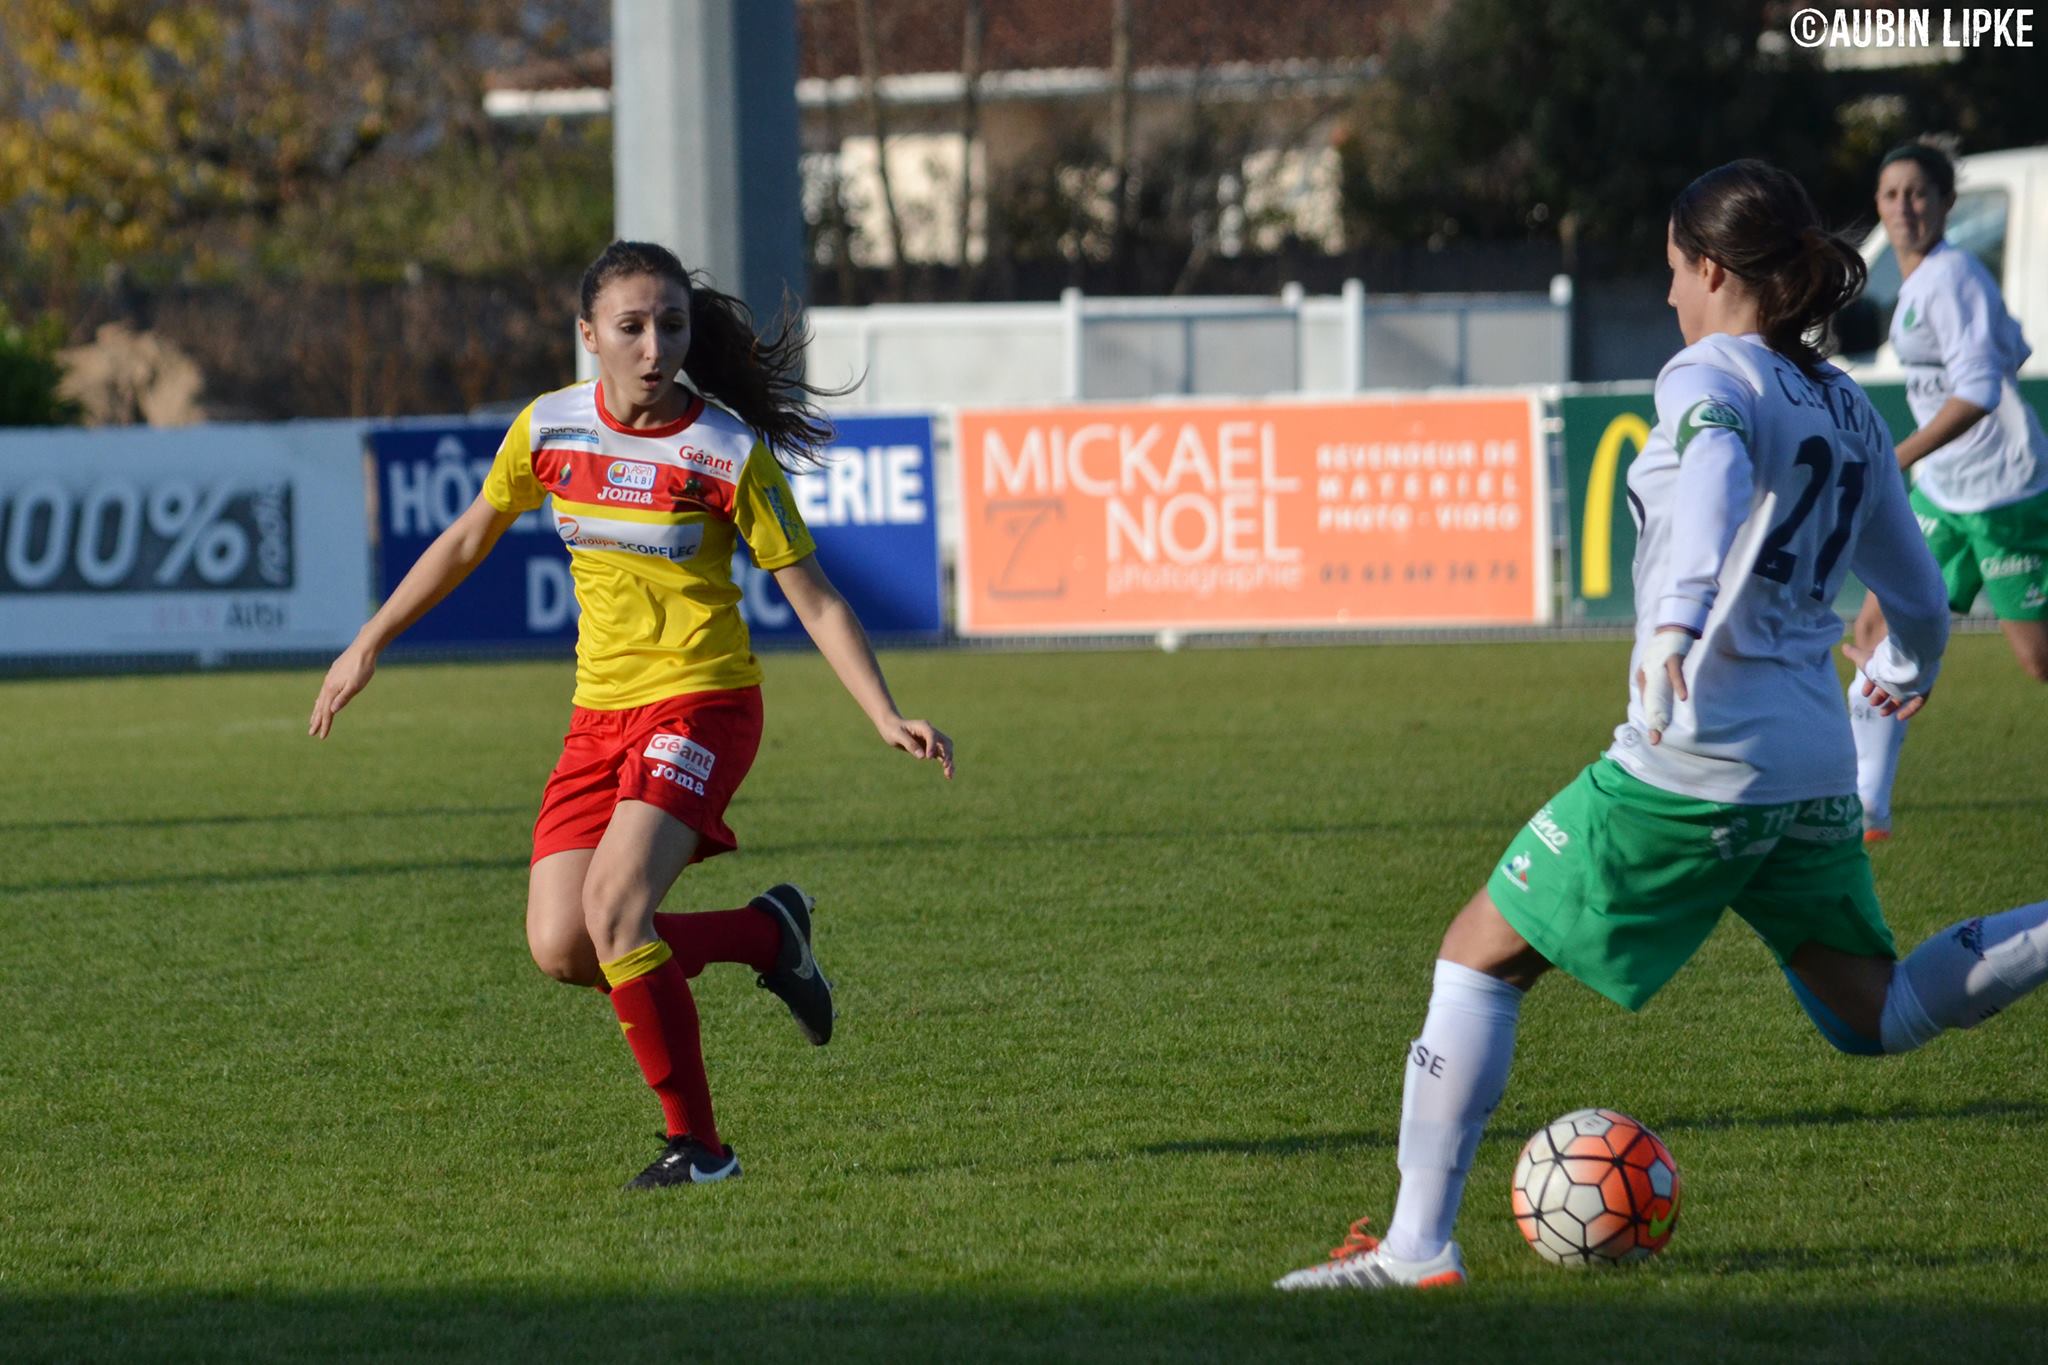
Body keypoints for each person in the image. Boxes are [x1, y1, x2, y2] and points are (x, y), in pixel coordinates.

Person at [1274, 161, 2048, 1292]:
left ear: (1712, 269)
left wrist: (1672, 625)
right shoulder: (1841, 400)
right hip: (1811, 766)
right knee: (1871, 1013)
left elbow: (1712, 479)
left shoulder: (1708, 369)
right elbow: (1918, 593)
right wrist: (1906, 666)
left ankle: (1413, 1250)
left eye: (1673, 269)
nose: (1669, 293)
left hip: (1696, 754)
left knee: (1476, 956)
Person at [309, 241, 954, 1189]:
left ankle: (702, 1148)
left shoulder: (726, 451)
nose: (657, 347)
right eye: (633, 327)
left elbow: (814, 598)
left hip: (704, 704)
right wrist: (370, 640)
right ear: (588, 337)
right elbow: (466, 540)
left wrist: (884, 711)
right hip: (596, 717)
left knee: (615, 912)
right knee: (565, 946)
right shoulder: (549, 429)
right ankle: (768, 936)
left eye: (673, 325)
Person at [1846, 142, 2048, 842]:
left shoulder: (1952, 275)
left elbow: (1981, 390)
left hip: (2004, 491)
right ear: (1877, 204)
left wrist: (1894, 456)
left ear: (1946, 204)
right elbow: (2012, 349)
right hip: (1944, 489)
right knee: (1874, 630)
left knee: (2035, 659)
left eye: (1920, 194)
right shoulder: (1926, 279)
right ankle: (1867, 807)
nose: (1905, 207)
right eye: (1892, 194)